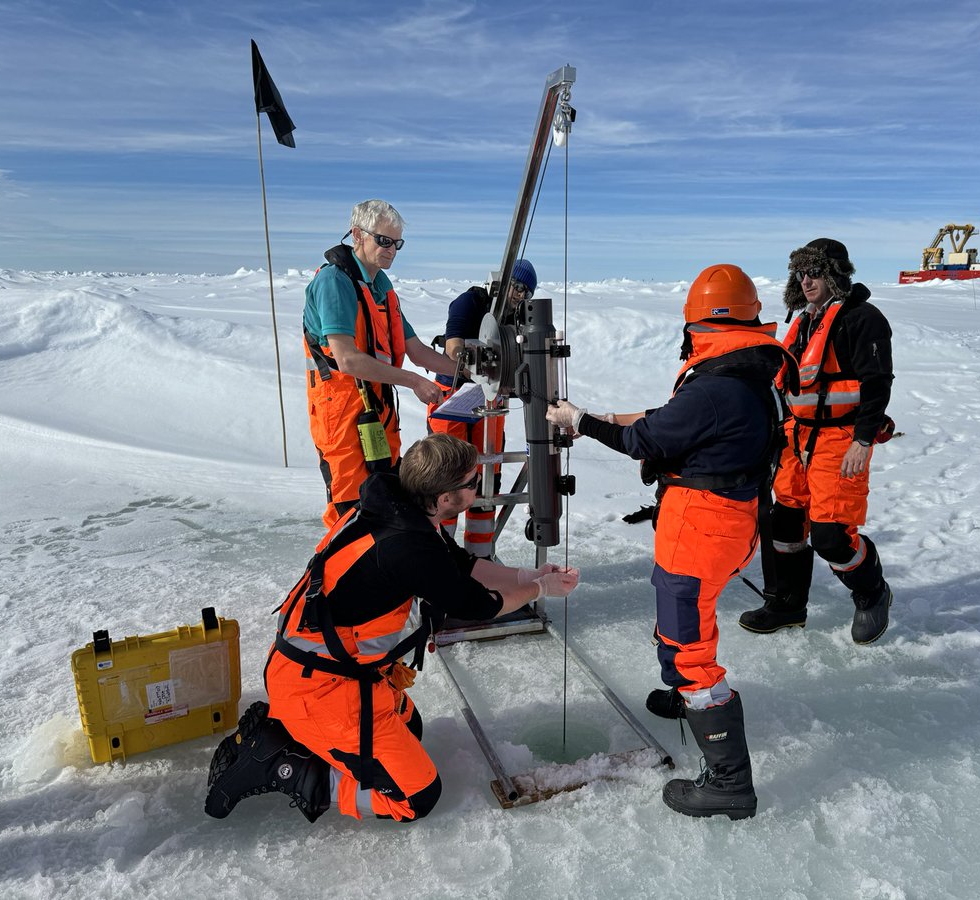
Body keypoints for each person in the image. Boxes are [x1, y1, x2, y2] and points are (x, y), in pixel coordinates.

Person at [204, 433, 579, 824]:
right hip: (319, 689)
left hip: (325, 673)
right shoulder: (408, 546)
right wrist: (539, 590)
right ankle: (283, 764)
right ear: (446, 498)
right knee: (416, 797)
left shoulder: (395, 508)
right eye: (473, 483)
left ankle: (300, 734)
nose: (481, 488)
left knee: (410, 727)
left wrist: (530, 574)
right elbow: (478, 605)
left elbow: (463, 566)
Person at [546, 264, 793, 821]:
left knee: (689, 648)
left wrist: (582, 422)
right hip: (722, 522)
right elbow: (675, 421)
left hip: (702, 529)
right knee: (681, 616)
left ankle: (729, 782)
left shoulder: (719, 385)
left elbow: (647, 437)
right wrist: (597, 417)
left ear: (698, 323)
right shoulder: (751, 371)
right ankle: (687, 699)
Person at [739, 238, 895, 645]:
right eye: (801, 273)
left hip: (841, 438)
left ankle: (872, 591)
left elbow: (876, 384)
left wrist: (863, 440)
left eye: (814, 272)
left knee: (832, 537)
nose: (806, 280)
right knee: (785, 526)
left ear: (836, 273)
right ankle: (788, 604)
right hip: (796, 437)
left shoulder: (863, 319)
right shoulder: (805, 321)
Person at [304, 199, 459, 528]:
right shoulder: (334, 282)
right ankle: (337, 577)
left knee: (385, 499)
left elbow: (416, 350)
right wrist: (415, 382)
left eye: (397, 243)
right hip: (342, 415)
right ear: (358, 235)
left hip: (378, 413)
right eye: (384, 241)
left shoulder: (381, 288)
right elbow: (346, 359)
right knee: (350, 511)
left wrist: (470, 372)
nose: (391, 250)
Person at [426, 260, 539, 556]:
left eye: (526, 292)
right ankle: (441, 554)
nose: (519, 296)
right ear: (501, 284)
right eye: (516, 287)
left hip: (492, 398)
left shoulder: (517, 318)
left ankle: (481, 555)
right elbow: (454, 348)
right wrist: (474, 362)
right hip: (453, 395)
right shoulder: (469, 303)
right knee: (447, 475)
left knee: (488, 475)